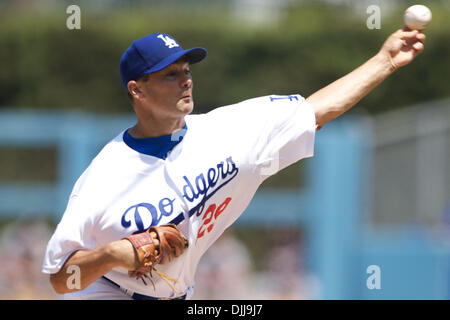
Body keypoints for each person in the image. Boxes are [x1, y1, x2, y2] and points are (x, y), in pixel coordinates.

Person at [42, 28, 426, 300]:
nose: (185, 81)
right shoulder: (105, 175)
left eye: (187, 71)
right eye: (170, 75)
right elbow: (61, 278)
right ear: (136, 90)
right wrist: (110, 255)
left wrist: (385, 62)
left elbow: (316, 111)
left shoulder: (228, 131)